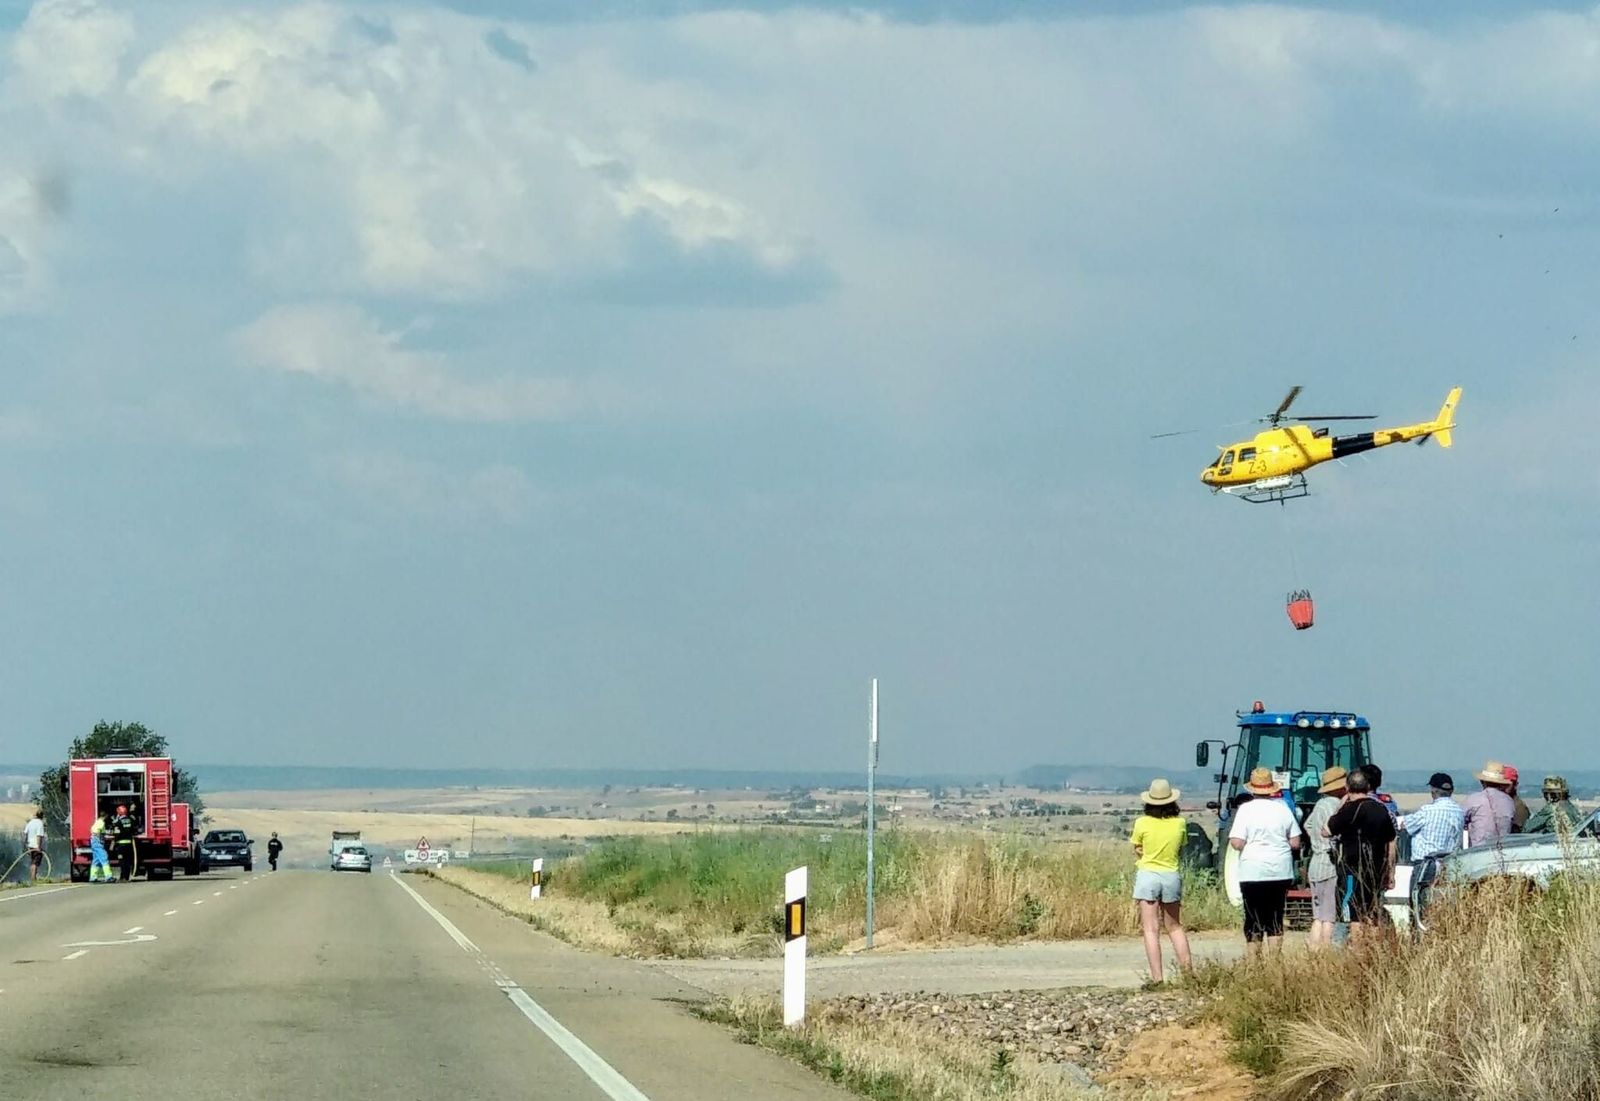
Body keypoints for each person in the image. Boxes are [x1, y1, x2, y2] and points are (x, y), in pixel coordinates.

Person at [1228, 768, 1300, 955]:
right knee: (1275, 917)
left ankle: (1254, 964)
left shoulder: (1245, 810)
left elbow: (1236, 842)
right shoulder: (1283, 808)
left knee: (1253, 918)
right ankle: (1274, 963)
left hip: (1252, 871)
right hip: (1280, 871)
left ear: (1252, 789)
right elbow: (1295, 842)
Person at [1129, 778, 1193, 984]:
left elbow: (1137, 848)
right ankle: (1188, 975)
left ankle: (1157, 979)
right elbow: (1181, 848)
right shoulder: (1180, 823)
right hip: (1171, 875)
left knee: (1150, 929)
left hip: (1148, 874)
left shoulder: (1141, 823)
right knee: (1174, 927)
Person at [1325, 768, 1397, 943]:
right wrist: (1390, 871)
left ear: (1348, 787)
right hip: (1376, 869)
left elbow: (1326, 831)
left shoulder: (1348, 810)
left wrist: (1340, 806)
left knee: (1354, 914)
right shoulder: (1382, 810)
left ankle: (1357, 952)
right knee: (1372, 911)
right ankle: (1373, 950)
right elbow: (1391, 841)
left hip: (1352, 869)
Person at [1399, 771, 1464, 915]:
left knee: (1419, 906)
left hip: (1425, 864)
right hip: (1449, 864)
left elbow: (1406, 826)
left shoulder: (1427, 811)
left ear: (1433, 791)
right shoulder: (1459, 811)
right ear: (1451, 791)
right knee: (1442, 907)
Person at [1302, 767, 1347, 949]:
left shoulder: (1320, 804)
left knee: (1318, 915)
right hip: (1328, 862)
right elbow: (1333, 832)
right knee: (1329, 916)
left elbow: (1308, 824)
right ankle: (1326, 952)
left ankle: (1313, 951)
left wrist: (1316, 840)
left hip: (1315, 862)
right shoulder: (1335, 806)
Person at [1461, 761, 1516, 847]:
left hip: (1478, 850)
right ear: (1501, 784)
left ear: (1482, 782)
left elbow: (1460, 822)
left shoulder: (1473, 799)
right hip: (1503, 850)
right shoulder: (1509, 801)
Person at [111, 803, 137, 882]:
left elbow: (116, 833)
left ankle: (122, 877)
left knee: (122, 862)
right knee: (128, 861)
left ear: (119, 813)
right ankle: (127, 877)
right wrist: (132, 811)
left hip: (121, 845)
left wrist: (113, 844)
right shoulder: (131, 820)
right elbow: (134, 822)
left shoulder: (118, 823)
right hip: (129, 844)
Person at [1503, 766, 1531, 832]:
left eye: (1507, 784)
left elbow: (1518, 835)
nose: (1503, 787)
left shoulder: (1519, 807)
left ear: (1515, 785)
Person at [22, 808, 45, 884]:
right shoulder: (40, 823)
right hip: (36, 846)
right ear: (42, 816)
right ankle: (33, 880)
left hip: (30, 845)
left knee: (32, 862)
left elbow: (24, 834)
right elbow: (39, 835)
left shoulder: (30, 823)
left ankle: (32, 879)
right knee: (35, 863)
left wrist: (25, 846)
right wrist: (39, 846)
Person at [88, 811, 112, 883]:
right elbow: (97, 832)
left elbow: (92, 830)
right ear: (106, 816)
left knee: (96, 860)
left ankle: (93, 877)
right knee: (104, 857)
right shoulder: (101, 823)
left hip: (94, 842)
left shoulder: (97, 822)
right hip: (97, 842)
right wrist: (100, 839)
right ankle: (108, 876)